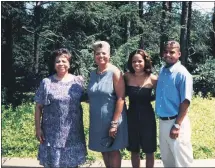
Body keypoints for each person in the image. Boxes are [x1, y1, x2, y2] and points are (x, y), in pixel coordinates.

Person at [34, 48, 87, 168]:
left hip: (73, 133)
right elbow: (38, 107)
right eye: (58, 61)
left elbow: (91, 99)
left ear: (69, 63)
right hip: (52, 134)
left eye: (64, 61)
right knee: (54, 164)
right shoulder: (46, 82)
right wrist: (38, 129)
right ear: (54, 64)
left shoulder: (78, 81)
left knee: (72, 164)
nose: (61, 64)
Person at [87, 41, 128, 167]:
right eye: (97, 54)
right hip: (97, 120)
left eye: (104, 53)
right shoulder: (93, 74)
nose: (101, 56)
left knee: (113, 150)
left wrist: (114, 123)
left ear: (109, 55)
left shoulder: (115, 72)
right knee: (104, 150)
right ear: (94, 56)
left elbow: (121, 98)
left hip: (112, 118)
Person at [155, 40, 193, 167]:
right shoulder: (163, 71)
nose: (168, 54)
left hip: (176, 123)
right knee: (167, 160)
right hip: (162, 122)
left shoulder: (183, 74)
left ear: (179, 54)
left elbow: (185, 102)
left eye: (172, 52)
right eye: (165, 52)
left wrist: (177, 125)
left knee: (182, 161)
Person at [124, 49, 157, 168]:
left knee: (149, 150)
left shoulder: (153, 78)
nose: (136, 64)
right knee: (134, 149)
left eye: (139, 61)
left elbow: (161, 95)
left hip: (147, 117)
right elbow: (119, 94)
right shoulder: (126, 76)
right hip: (131, 116)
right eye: (134, 61)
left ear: (145, 62)